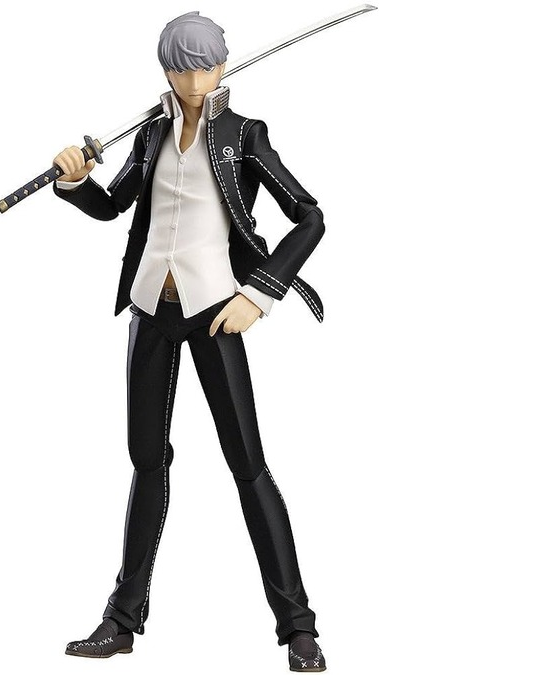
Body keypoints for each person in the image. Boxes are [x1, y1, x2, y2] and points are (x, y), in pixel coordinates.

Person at [50, 11, 327, 672]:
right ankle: (122, 619)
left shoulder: (243, 136)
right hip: (151, 308)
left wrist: (258, 293)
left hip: (214, 310)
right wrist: (73, 180)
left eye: (204, 66)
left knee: (248, 464)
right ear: (166, 69)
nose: (194, 79)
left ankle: (298, 626)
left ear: (221, 66)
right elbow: (114, 206)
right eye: (181, 67)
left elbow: (310, 216)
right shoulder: (149, 134)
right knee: (147, 461)